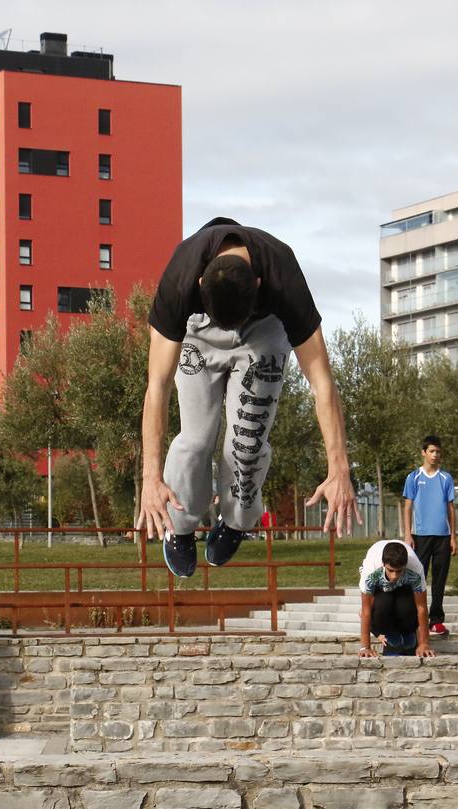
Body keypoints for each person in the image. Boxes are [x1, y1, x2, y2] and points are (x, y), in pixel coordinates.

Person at [136, 217, 359, 578]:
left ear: (259, 284)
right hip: (198, 335)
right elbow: (156, 386)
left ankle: (238, 520)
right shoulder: (179, 278)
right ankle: (180, 527)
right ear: (199, 284)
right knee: (195, 440)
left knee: (245, 443)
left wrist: (339, 469)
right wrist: (150, 477)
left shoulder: (283, 275)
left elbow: (322, 382)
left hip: (262, 332)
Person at [401, 436, 458, 637]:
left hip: (442, 537)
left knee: (440, 580)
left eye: (438, 452)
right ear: (423, 452)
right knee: (418, 579)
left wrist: (453, 537)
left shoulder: (446, 478)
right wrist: (408, 534)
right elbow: (408, 507)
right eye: (432, 451)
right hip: (420, 536)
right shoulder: (413, 477)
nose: (435, 455)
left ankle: (437, 621)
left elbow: (451, 508)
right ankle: (415, 619)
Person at [357, 538, 436, 659]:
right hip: (380, 587)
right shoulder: (371, 570)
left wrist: (424, 643)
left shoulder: (415, 568)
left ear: (405, 565)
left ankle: (409, 632)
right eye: (391, 570)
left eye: (399, 571)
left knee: (406, 607)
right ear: (383, 564)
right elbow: (366, 610)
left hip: (405, 586)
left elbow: (421, 607)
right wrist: (365, 647)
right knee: (383, 604)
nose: (394, 576)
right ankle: (390, 635)